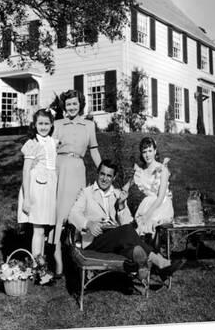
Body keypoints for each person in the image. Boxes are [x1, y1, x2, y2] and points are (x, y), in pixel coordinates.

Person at [69, 160, 171, 282]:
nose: (104, 179)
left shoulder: (118, 194)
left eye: (109, 176)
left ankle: (139, 259)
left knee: (131, 245)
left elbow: (127, 223)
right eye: (102, 174)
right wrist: (88, 223)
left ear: (114, 177)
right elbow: (73, 214)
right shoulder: (86, 193)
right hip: (95, 241)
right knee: (126, 231)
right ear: (97, 173)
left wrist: (122, 205)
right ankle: (158, 261)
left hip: (115, 241)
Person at [51, 89, 101, 277]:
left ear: (80, 104)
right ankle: (58, 265)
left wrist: (103, 170)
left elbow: (94, 150)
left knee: (79, 214)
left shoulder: (89, 125)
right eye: (68, 104)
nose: (71, 107)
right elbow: (49, 150)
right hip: (60, 169)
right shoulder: (57, 124)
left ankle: (84, 262)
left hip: (78, 170)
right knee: (59, 217)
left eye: (74, 103)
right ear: (64, 106)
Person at [17, 108, 57, 264]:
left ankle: (40, 263)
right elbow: (26, 170)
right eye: (40, 123)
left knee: (43, 229)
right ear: (34, 125)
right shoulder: (32, 144)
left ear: (52, 124)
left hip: (49, 190)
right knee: (38, 229)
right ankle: (37, 265)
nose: (43, 127)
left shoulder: (53, 142)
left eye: (47, 123)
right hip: (36, 190)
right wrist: (27, 198)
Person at [131, 137, 174, 236]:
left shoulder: (162, 169)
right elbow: (128, 185)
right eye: (144, 152)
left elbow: (160, 197)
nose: (147, 155)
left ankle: (156, 247)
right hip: (147, 204)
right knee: (140, 230)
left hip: (161, 205)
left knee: (150, 225)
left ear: (155, 151)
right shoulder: (141, 172)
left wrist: (147, 215)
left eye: (150, 151)